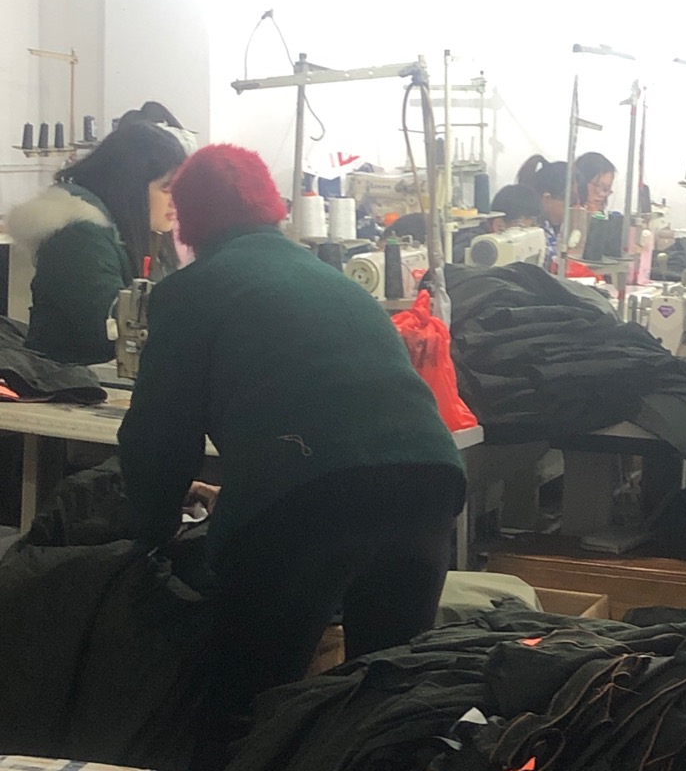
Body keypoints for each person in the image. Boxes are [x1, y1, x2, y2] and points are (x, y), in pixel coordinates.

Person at [118, 143, 466, 718]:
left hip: (315, 499)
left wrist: (148, 544)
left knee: (246, 703)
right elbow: (337, 413)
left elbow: (158, 440)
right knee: (387, 704)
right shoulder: (333, 280)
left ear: (187, 222)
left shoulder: (192, 290)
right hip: (428, 482)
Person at [9, 117, 186, 364]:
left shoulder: (138, 233)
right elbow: (111, 328)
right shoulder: (78, 237)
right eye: (167, 189)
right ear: (129, 187)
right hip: (70, 378)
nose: (177, 200)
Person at [516, 152, 617, 265]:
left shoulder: (552, 227)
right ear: (547, 199)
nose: (577, 207)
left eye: (607, 189)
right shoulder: (537, 231)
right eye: (572, 203)